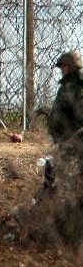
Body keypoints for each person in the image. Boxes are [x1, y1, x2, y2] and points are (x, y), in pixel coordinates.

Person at [43, 51, 83, 191]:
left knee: (54, 164)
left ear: (71, 67)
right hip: (69, 137)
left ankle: (51, 195)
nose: (61, 70)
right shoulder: (70, 85)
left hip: (73, 137)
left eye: (63, 66)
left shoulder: (73, 86)